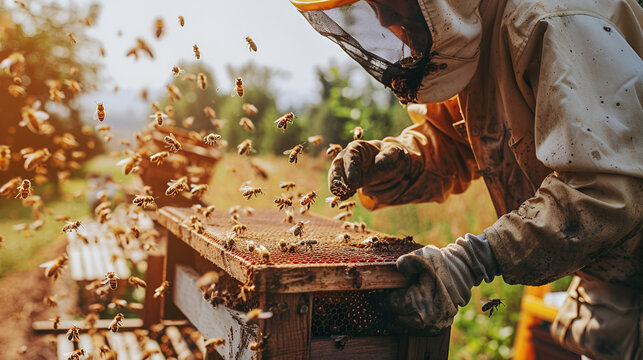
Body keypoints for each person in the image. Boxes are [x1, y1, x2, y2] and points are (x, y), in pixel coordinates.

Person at [289, 0, 643, 358]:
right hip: (613, 283)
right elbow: (457, 141)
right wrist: (393, 161)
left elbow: (605, 190)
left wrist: (472, 260)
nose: (384, 18)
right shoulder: (479, 29)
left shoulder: (551, 19)